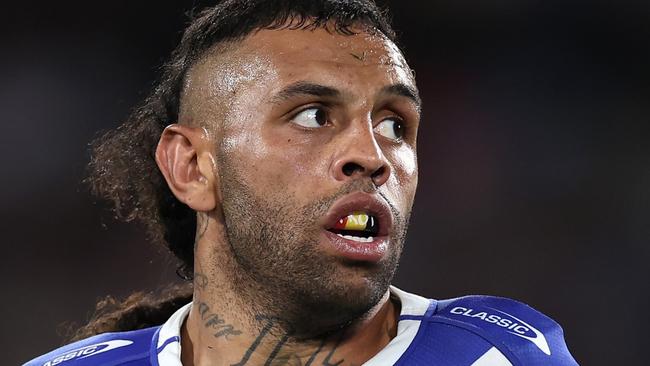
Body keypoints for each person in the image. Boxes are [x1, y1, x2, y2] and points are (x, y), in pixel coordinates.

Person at [25, 1, 578, 365]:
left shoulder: (499, 354)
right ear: (192, 167)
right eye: (313, 115)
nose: (372, 155)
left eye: (394, 124)